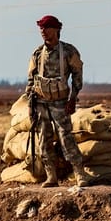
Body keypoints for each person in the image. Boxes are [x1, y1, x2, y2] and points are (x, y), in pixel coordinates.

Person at [26, 15, 91, 187]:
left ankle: (79, 173)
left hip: (60, 103)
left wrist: (73, 98)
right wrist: (30, 104)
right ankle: (51, 176)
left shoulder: (69, 52)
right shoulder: (38, 54)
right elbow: (31, 80)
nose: (43, 32)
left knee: (65, 138)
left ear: (57, 30)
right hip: (41, 103)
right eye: (41, 28)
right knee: (43, 140)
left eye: (47, 28)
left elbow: (78, 75)